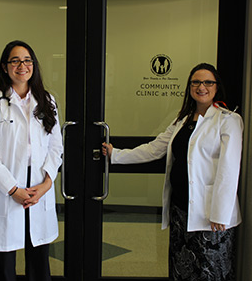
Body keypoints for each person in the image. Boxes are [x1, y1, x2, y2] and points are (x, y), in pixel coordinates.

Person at [102, 63, 243, 280]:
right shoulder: (182, 120)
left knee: (210, 270)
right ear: (189, 87)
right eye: (195, 82)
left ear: (216, 87)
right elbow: (154, 149)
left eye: (208, 82)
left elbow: (229, 169)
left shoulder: (228, 120)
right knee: (181, 267)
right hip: (181, 209)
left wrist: (220, 212)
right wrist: (117, 155)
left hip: (211, 215)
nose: (201, 87)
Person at [0, 40, 63, 281]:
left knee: (39, 264)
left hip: (38, 188)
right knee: (5, 266)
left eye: (27, 60)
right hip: (6, 189)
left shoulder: (47, 100)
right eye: (15, 61)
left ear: (33, 65)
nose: (21, 65)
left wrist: (46, 185)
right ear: (5, 67)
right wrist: (13, 189)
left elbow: (56, 147)